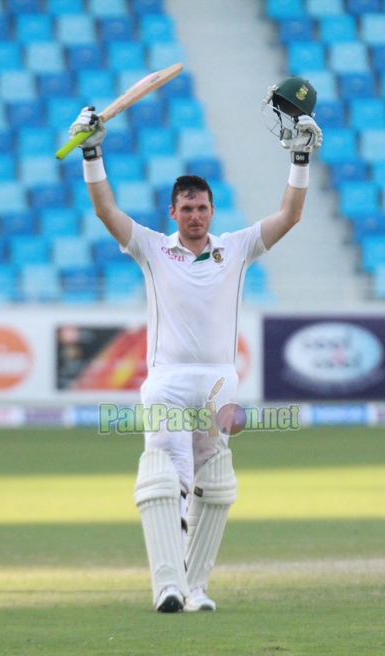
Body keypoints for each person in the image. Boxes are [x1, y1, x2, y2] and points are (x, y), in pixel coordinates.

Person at [70, 77, 323, 612]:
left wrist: (300, 161)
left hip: (216, 383)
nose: (195, 216)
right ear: (173, 213)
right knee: (163, 477)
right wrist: (91, 152)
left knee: (217, 484)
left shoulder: (235, 248)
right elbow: (105, 211)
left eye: (202, 208)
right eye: (185, 208)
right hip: (165, 380)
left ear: (212, 210)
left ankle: (196, 587)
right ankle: (166, 585)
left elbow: (290, 216)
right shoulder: (152, 249)